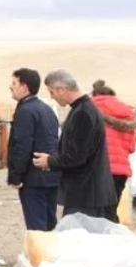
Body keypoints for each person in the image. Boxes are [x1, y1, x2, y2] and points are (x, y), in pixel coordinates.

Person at [33, 70, 117, 220]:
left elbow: (77, 156)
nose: (52, 97)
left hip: (87, 193)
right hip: (86, 192)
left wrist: (50, 161)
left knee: (80, 239)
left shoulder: (83, 113)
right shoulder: (81, 109)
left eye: (52, 92)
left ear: (61, 89)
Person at [6, 68, 61, 231]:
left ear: (25, 87)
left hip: (34, 176)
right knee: (49, 222)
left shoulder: (25, 111)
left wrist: (16, 176)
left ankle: (40, 256)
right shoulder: (46, 109)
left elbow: (22, 146)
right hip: (51, 174)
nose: (11, 86)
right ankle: (51, 254)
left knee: (37, 225)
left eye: (14, 83)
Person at [91, 80, 136, 221]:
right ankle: (112, 238)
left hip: (96, 169)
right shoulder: (127, 113)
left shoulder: (89, 108)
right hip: (119, 171)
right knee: (110, 211)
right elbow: (131, 148)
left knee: (92, 212)